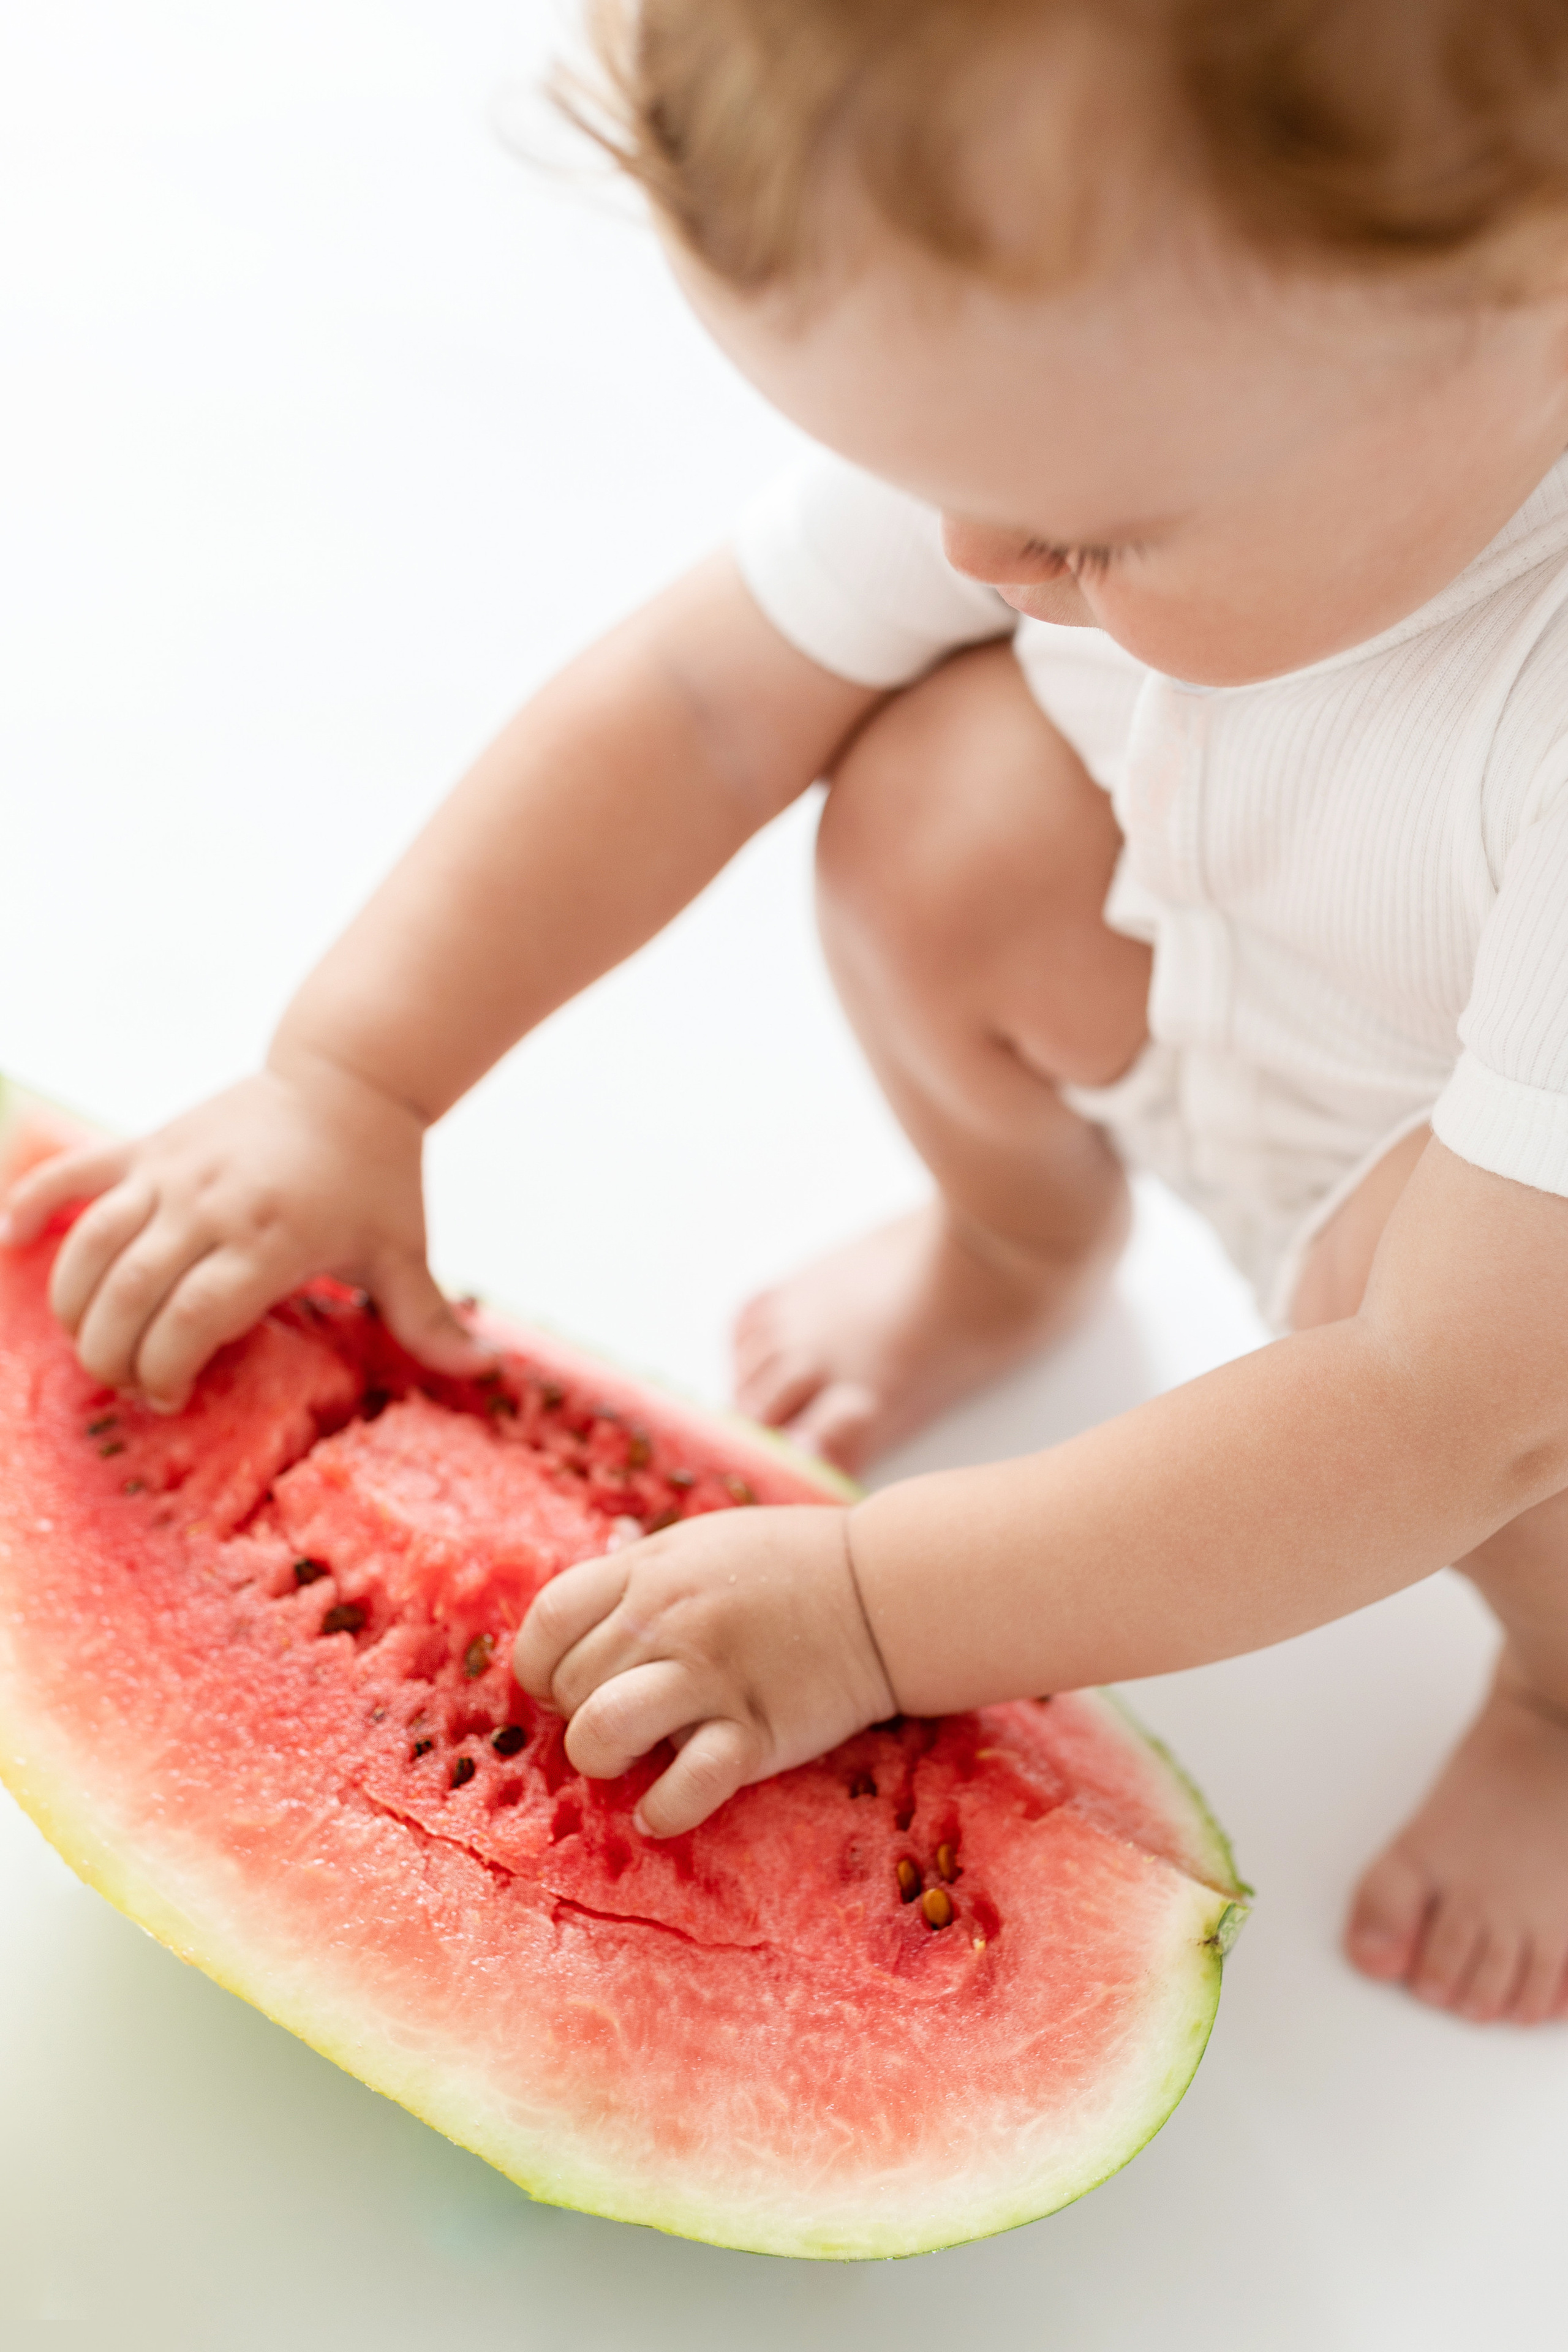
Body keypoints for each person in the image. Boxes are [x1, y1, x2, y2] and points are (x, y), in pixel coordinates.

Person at [7, 0, 1568, 2026]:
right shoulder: (1126, 403)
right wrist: (353, 1075)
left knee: (1487, 1391)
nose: (969, 554)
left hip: (1497, 1311)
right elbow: (700, 701)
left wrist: (871, 1608)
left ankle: (1553, 1700)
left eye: (1084, 536)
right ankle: (1020, 1248)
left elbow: (1439, 1406)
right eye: (919, 475)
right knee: (939, 810)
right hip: (1266, 1012)